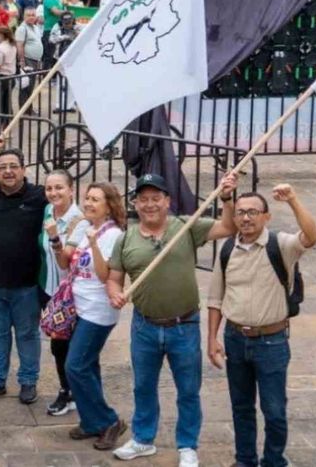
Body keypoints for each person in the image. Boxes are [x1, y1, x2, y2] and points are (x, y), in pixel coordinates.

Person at [106, 172, 238, 466]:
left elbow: (229, 227)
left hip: (184, 326)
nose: (149, 204)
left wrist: (227, 198)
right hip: (144, 326)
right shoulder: (126, 238)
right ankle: (142, 439)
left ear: (167, 201)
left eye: (156, 198)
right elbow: (114, 279)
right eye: (143, 199)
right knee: (143, 386)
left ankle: (188, 445)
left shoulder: (186, 227)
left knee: (188, 389)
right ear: (135, 204)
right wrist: (114, 294)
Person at [207, 184, 316, 467]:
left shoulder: (280, 245)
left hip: (272, 341)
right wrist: (211, 338)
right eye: (241, 212)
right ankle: (245, 460)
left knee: (274, 410)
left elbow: (311, 236)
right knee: (241, 407)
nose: (246, 218)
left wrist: (293, 199)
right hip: (235, 338)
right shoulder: (228, 249)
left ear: (266, 217)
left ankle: (273, 461)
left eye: (253, 212)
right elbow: (215, 298)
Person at [0, 148, 47, 406]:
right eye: (2, 167)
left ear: (23, 169)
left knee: (27, 335)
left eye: (13, 166)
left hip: (25, 284)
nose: (8, 171)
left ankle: (28, 381)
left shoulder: (39, 197)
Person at [61, 181, 129, 450]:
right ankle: (91, 422)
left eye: (95, 200)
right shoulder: (90, 228)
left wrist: (94, 245)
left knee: (74, 366)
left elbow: (105, 275)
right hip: (81, 306)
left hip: (98, 312)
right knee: (88, 366)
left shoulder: (113, 235)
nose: (88, 203)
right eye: (87, 198)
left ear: (109, 206)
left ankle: (109, 420)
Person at [38, 170, 83, 417]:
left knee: (73, 346)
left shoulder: (80, 220)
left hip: (72, 294)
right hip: (51, 290)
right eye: (49, 188)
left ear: (71, 189)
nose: (53, 193)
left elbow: (66, 261)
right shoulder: (47, 212)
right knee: (58, 344)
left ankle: (77, 391)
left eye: (59, 188)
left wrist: (55, 236)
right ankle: (67, 388)